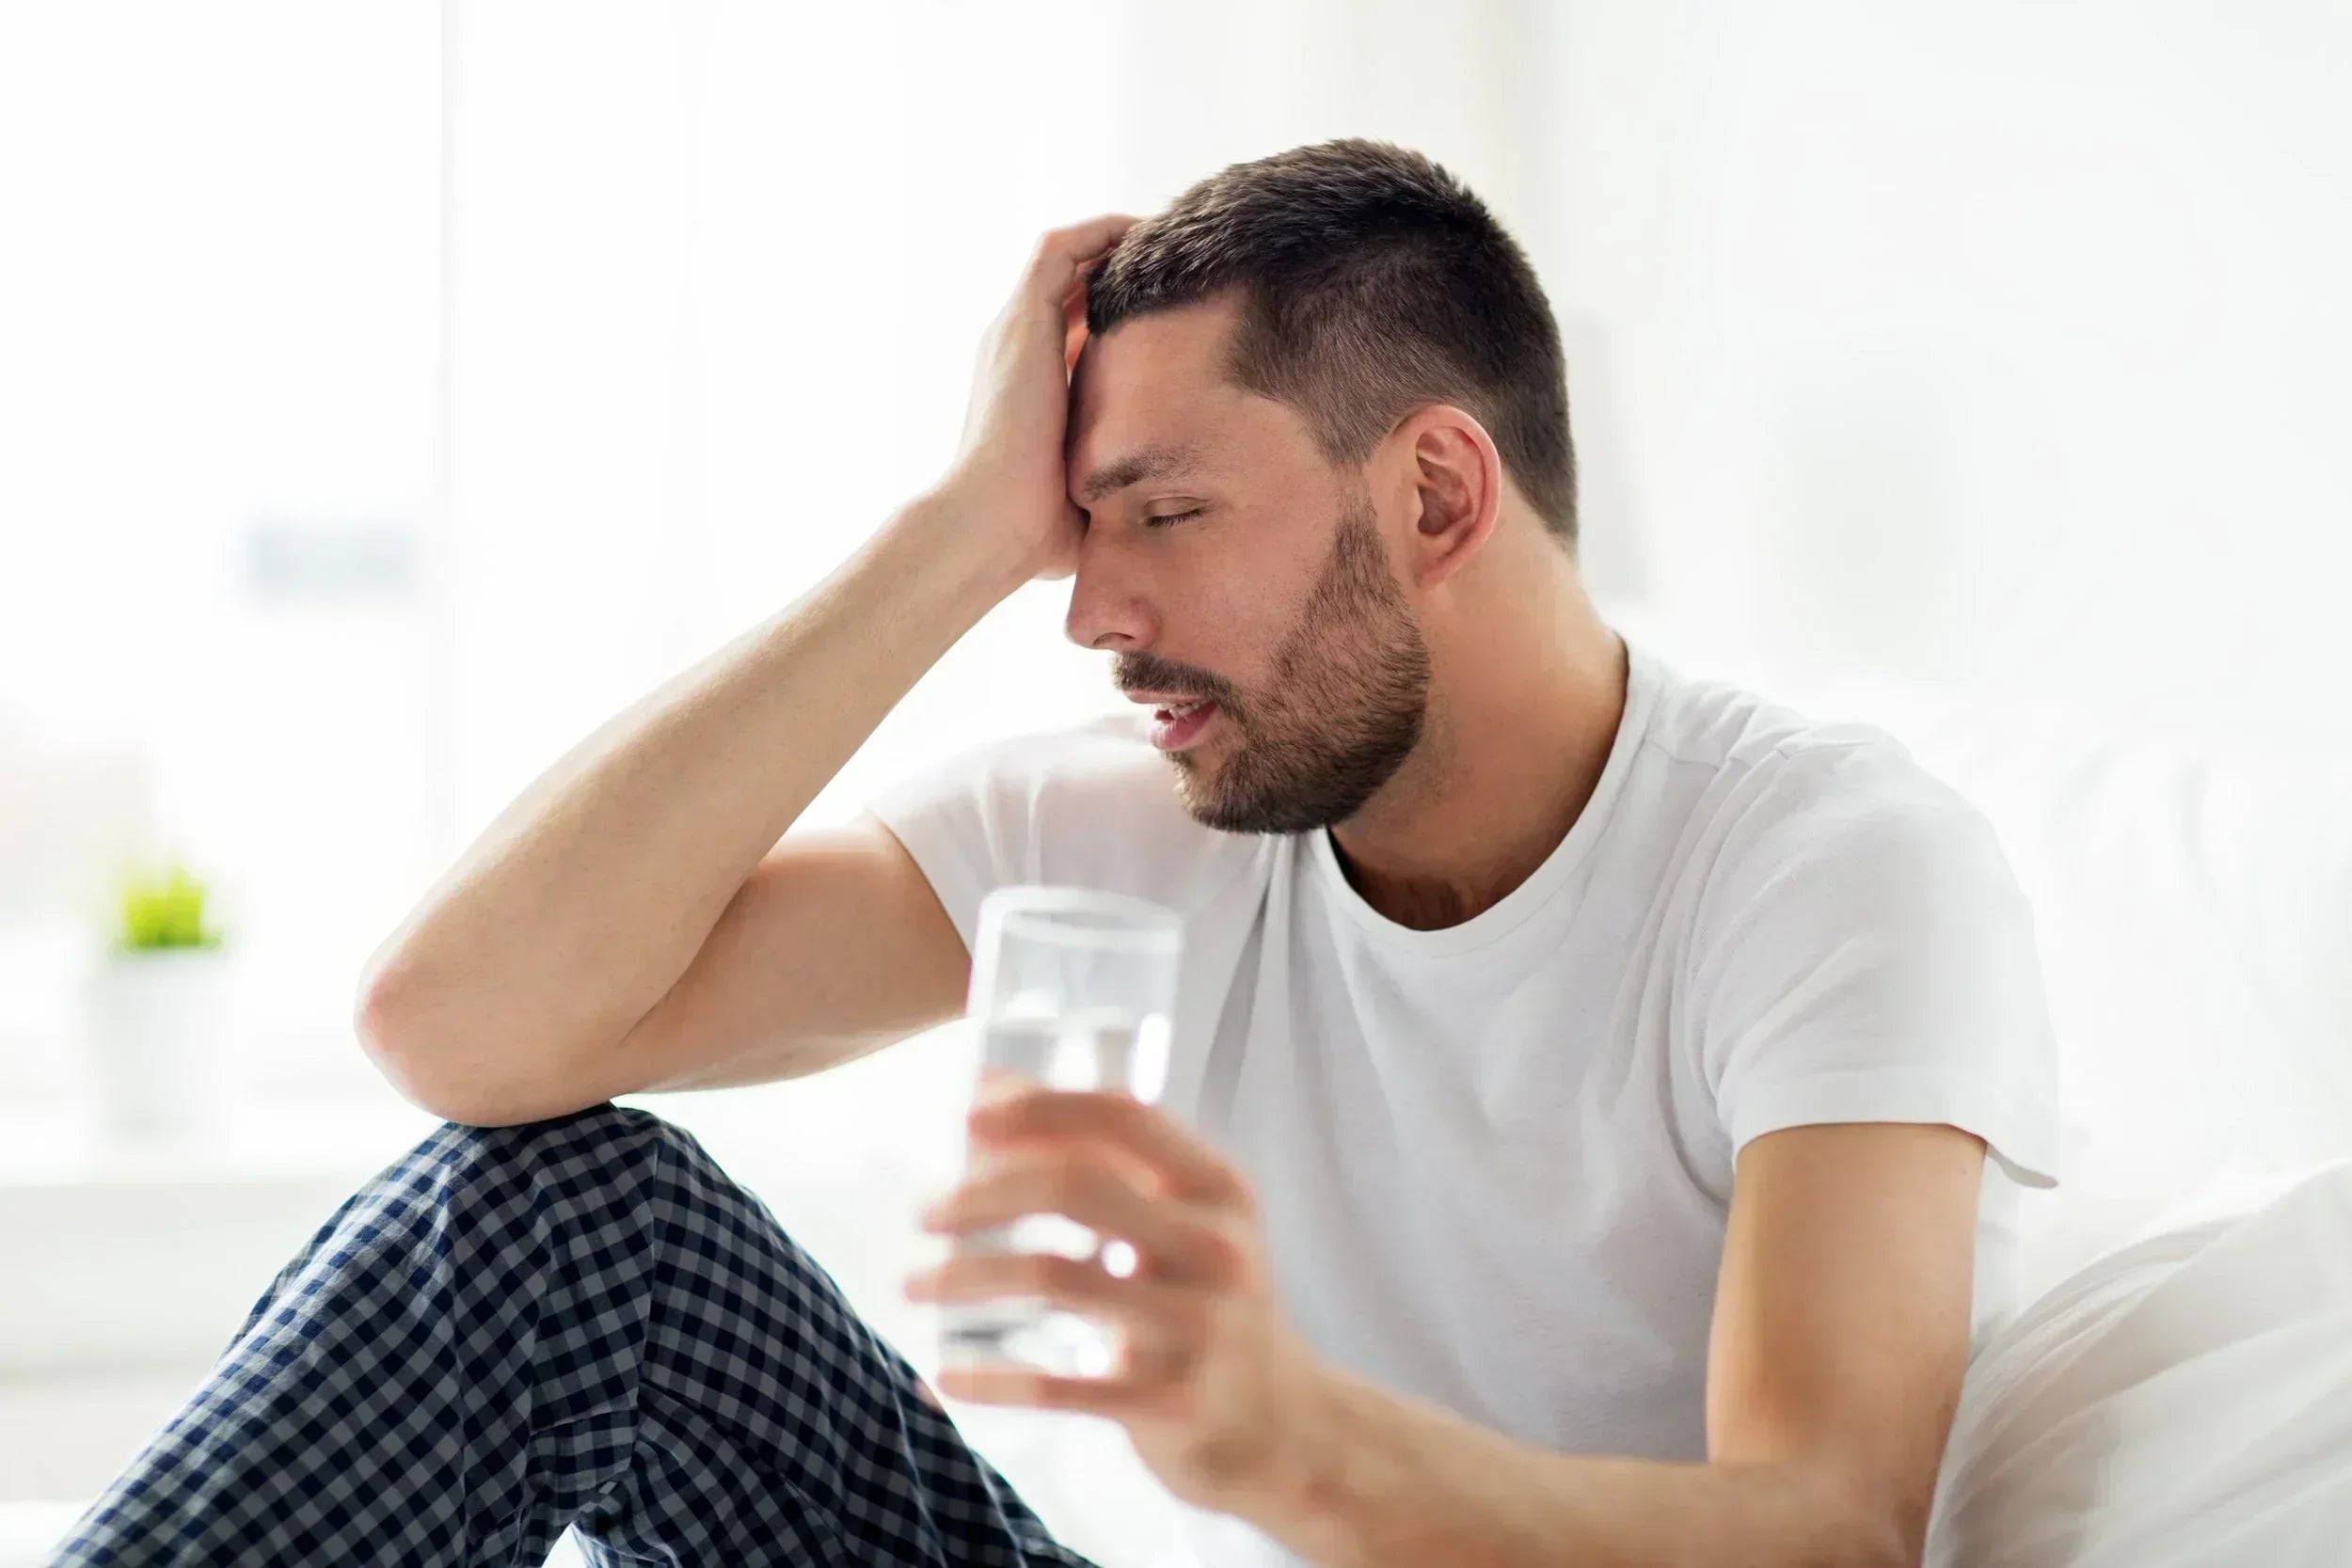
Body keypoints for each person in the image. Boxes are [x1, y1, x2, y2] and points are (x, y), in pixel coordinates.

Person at [56, 138, 2058, 1568]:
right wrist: (957, 530)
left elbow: (1824, 1527)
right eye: (1063, 533)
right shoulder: (1128, 826)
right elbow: (460, 1030)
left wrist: (1289, 1451)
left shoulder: (1824, 866)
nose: (1089, 615)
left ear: (1437, 490)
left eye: (1157, 516)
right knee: (559, 1216)